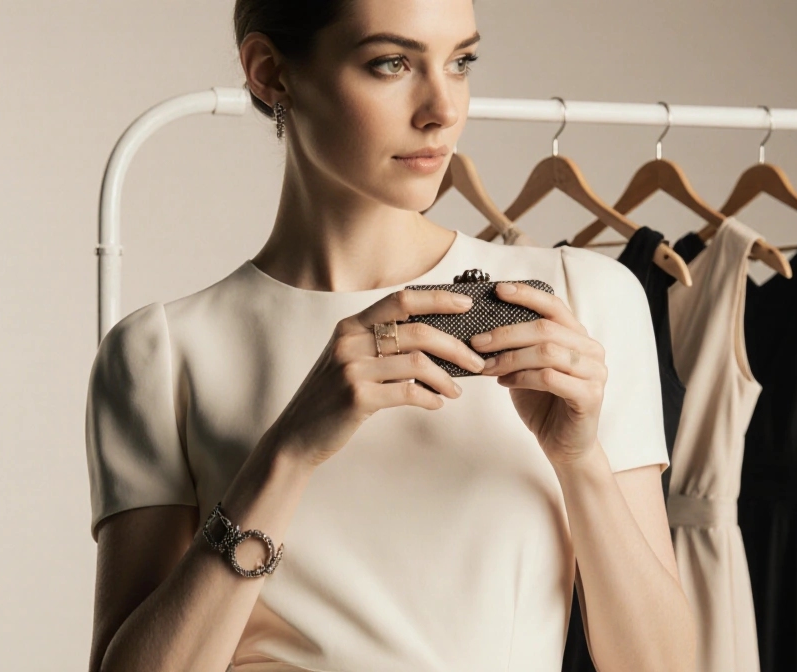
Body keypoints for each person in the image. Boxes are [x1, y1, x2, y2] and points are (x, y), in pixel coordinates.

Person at [84, 1, 695, 670]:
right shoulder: (162, 352)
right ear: (270, 73)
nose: (442, 108)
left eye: (461, 62)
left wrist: (580, 463)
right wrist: (285, 454)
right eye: (391, 64)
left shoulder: (580, 302)